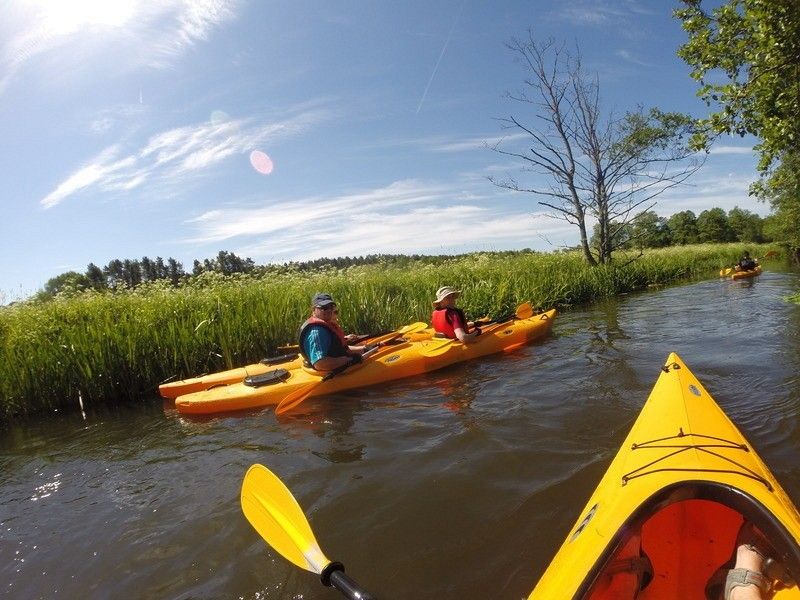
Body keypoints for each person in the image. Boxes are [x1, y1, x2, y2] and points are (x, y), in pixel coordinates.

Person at [298, 293, 366, 371]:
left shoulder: (327, 325)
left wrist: (364, 349)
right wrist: (348, 359)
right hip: (333, 374)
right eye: (324, 308)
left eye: (331, 307)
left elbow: (342, 349)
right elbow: (320, 363)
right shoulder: (317, 332)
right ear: (313, 309)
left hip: (341, 366)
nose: (329, 310)